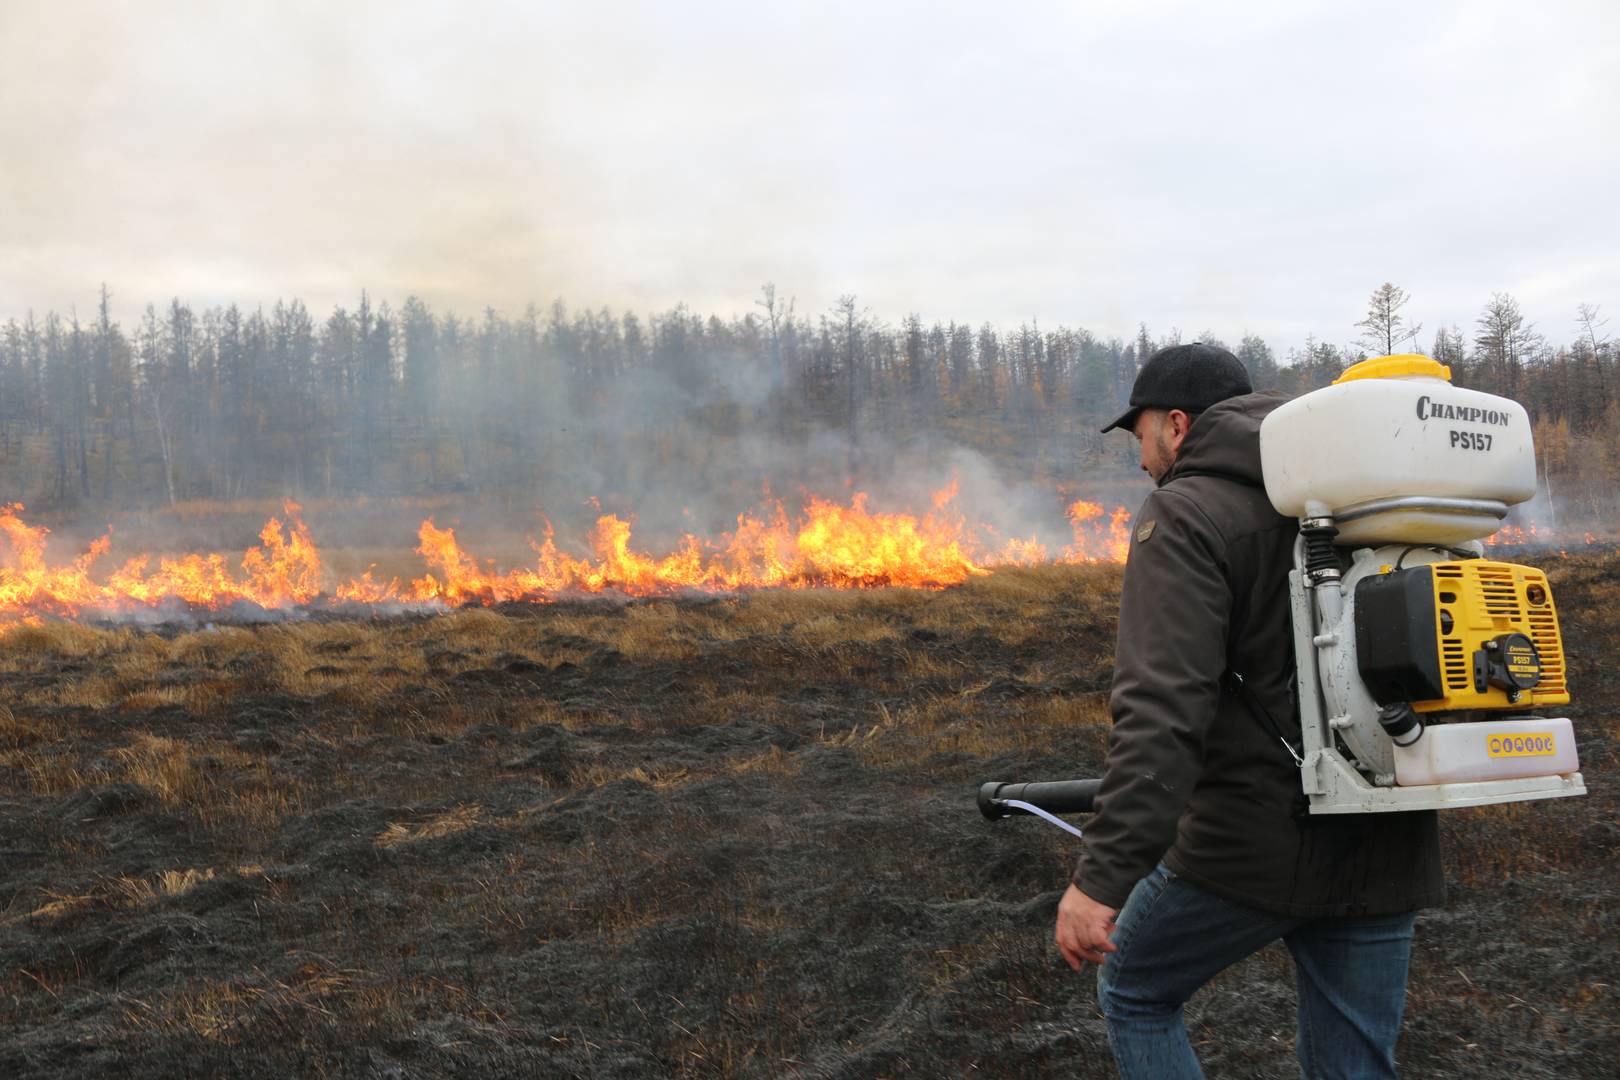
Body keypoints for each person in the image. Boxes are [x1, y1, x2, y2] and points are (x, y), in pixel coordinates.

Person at [1053, 343, 1444, 1079]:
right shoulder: (1352, 495)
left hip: (1254, 847)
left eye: (1138, 436)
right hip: (1387, 833)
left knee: (1135, 990)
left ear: (1175, 425)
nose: (1139, 459)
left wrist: (1102, 879)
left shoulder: (1185, 512)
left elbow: (1163, 710)